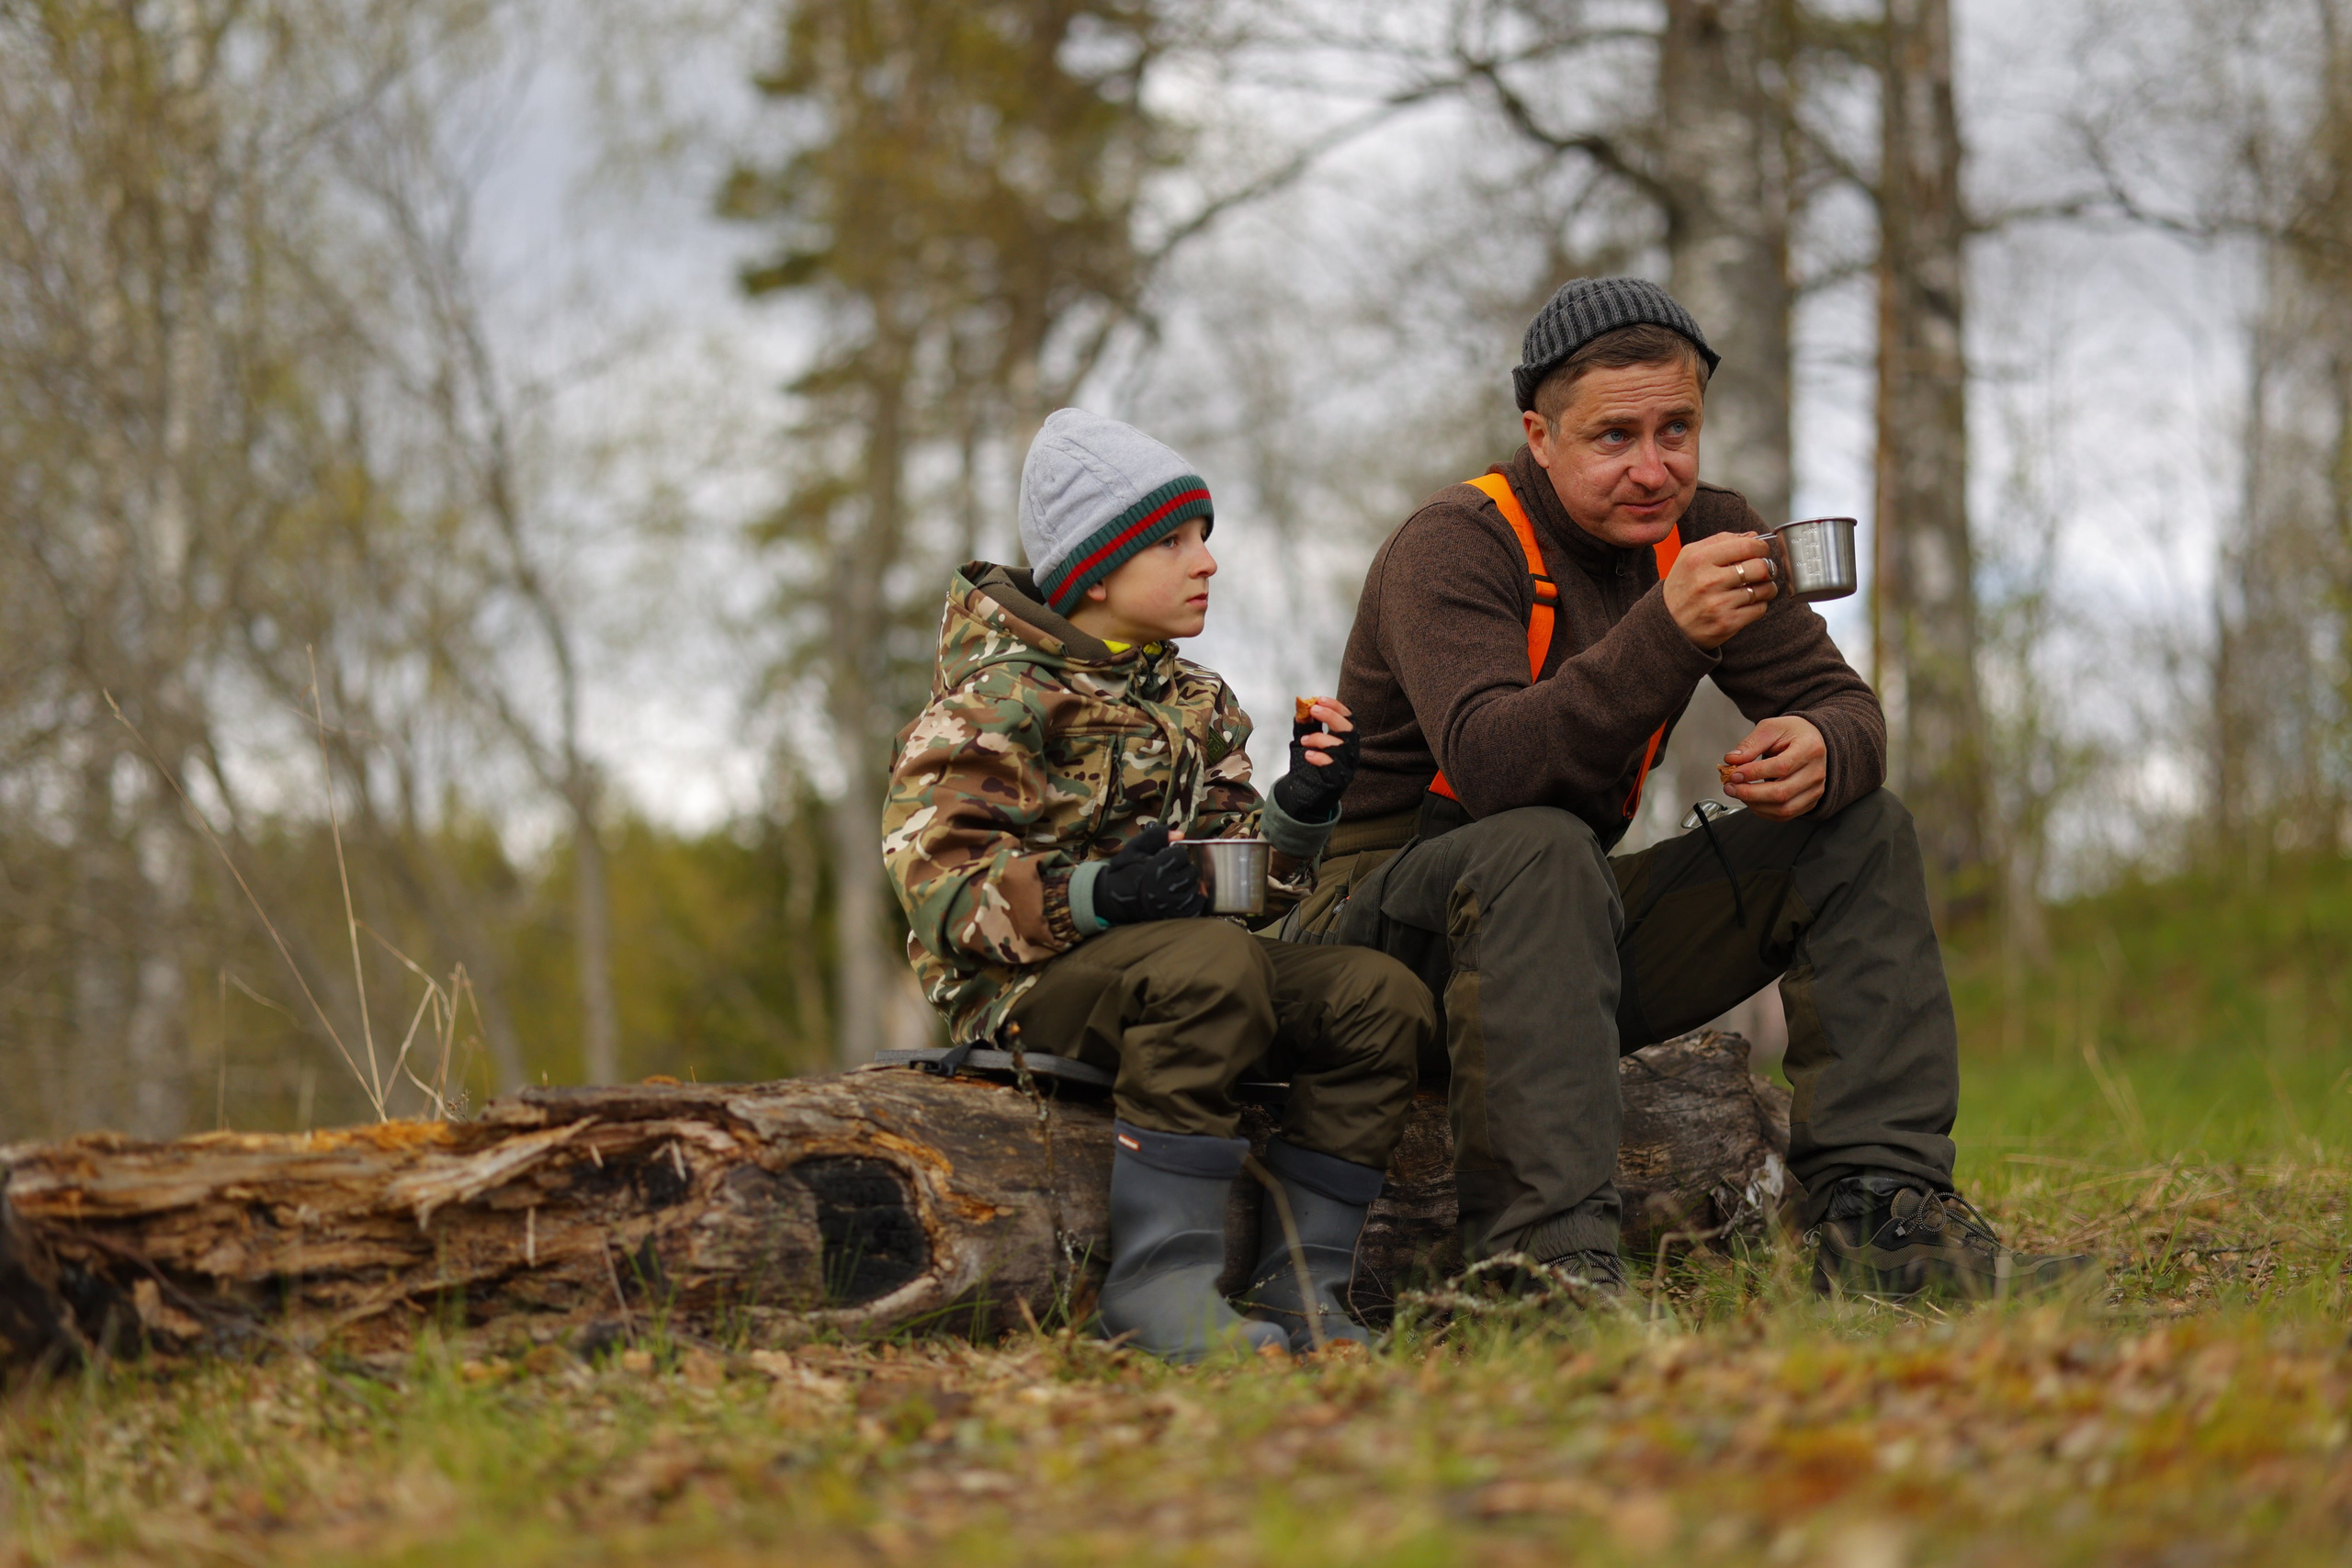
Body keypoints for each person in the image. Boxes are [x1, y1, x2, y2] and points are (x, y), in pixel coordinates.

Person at [1293, 276, 2091, 1300]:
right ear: (1538, 436)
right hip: (1377, 943)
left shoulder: (1708, 529)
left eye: (1677, 429)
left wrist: (1820, 743)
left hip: (1552, 931)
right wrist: (1667, 632)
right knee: (1539, 843)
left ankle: (1882, 1225)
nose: (1652, 467)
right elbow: (1494, 767)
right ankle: (1546, 1269)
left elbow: (1848, 712)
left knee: (1856, 829)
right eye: (1612, 437)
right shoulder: (1452, 547)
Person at [882, 408, 1436, 1360]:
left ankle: (1304, 1291)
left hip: (1183, 968)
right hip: (1022, 991)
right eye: (1175, 541)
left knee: (1375, 997)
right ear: (1096, 569)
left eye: (1204, 539)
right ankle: (1159, 1286)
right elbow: (941, 893)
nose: (1206, 561)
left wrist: (1300, 807)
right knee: (1210, 966)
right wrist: (1098, 895)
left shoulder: (1197, 703)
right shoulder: (991, 702)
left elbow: (1242, 891)